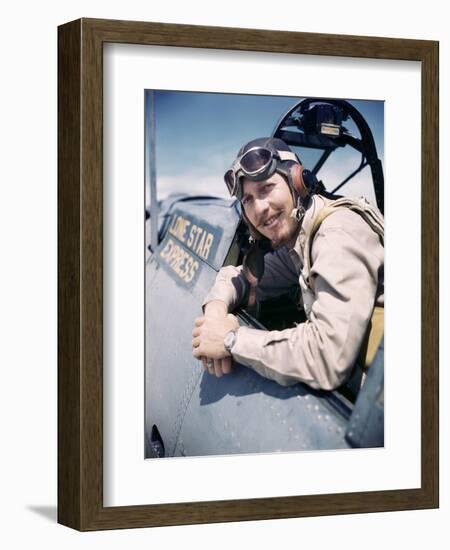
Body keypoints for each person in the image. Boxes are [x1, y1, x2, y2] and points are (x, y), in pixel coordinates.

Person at [191, 137, 384, 390]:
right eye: (248, 199)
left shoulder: (336, 233)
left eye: (266, 188)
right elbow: (240, 277)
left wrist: (230, 340)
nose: (259, 208)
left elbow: (329, 358)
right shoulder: (300, 241)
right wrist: (215, 313)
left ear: (298, 183)